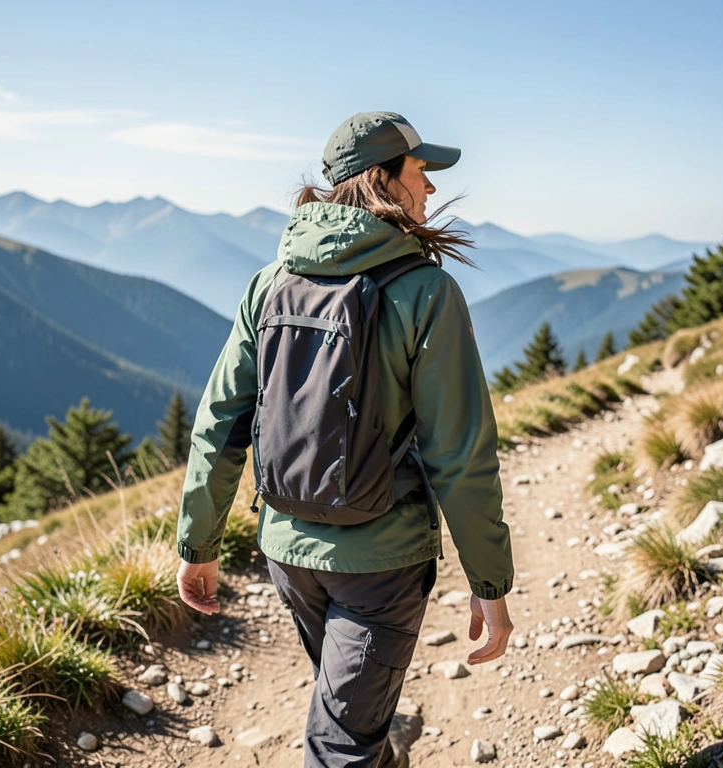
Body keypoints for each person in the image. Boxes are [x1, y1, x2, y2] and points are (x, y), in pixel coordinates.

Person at [176, 111, 514, 766]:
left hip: (286, 550)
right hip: (381, 563)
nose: (432, 190)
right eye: (422, 171)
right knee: (341, 745)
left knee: (349, 723)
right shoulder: (426, 293)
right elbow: (461, 455)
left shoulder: (269, 284)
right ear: (382, 178)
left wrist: (199, 542)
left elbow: (221, 420)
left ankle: (380, 742)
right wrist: (491, 583)